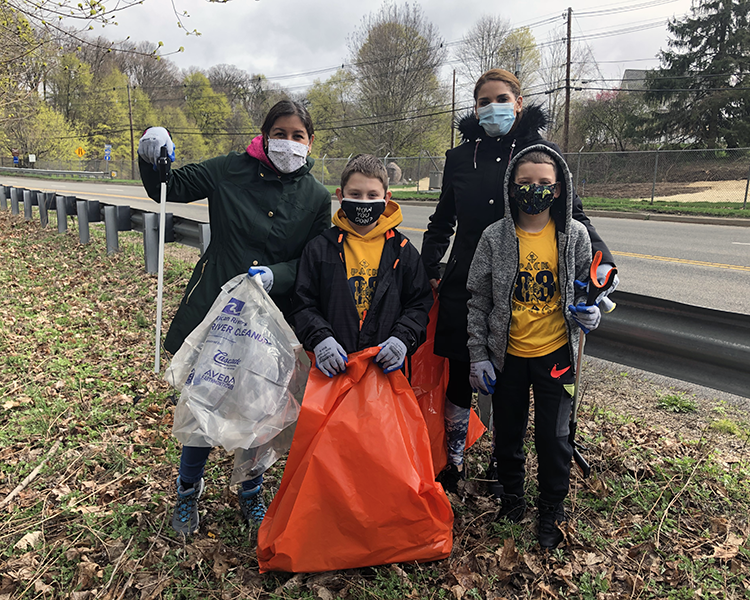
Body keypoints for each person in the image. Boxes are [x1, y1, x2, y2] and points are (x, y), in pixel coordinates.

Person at [137, 100, 332, 536]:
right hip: (217, 310)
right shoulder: (229, 169)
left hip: (273, 321)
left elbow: (314, 260)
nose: (288, 143)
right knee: (202, 402)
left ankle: (251, 492)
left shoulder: (317, 197)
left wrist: (277, 275)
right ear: (264, 136)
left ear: (309, 143)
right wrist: (153, 156)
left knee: (261, 409)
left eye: (297, 136)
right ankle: (188, 490)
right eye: (279, 134)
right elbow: (169, 185)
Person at [420, 69, 618, 493]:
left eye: (502, 99)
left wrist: (603, 266)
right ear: (475, 109)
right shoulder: (460, 158)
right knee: (462, 373)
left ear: (519, 102)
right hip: (466, 285)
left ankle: (502, 460)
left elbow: (574, 215)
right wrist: (429, 269)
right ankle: (453, 461)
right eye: (484, 101)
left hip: (524, 286)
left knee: (508, 382)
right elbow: (442, 221)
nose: (494, 107)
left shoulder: (541, 153)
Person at [466, 144, 600, 549]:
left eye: (544, 183)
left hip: (556, 355)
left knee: (554, 438)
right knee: (508, 433)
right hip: (506, 357)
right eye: (525, 182)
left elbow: (588, 288)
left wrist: (592, 312)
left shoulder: (574, 236)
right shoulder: (494, 238)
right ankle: (512, 497)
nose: (534, 190)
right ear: (511, 186)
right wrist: (478, 354)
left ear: (558, 189)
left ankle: (551, 508)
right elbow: (478, 300)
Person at [291, 153, 432, 381]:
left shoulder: (403, 250)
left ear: (386, 198)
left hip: (385, 372)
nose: (364, 201)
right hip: (334, 370)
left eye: (372, 195)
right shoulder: (319, 249)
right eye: (355, 194)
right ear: (340, 196)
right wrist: (320, 338)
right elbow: (303, 303)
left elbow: (419, 304)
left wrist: (402, 339)